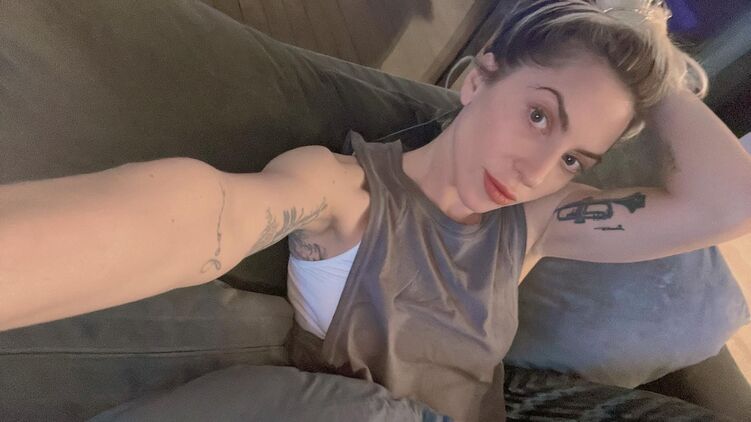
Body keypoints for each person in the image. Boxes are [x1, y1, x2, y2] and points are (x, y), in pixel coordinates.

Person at [1, 0, 749, 420]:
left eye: (573, 159)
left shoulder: (534, 225)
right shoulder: (341, 190)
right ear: (478, 79)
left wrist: (649, 64)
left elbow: (730, 202)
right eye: (538, 116)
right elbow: (208, 215)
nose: (536, 171)